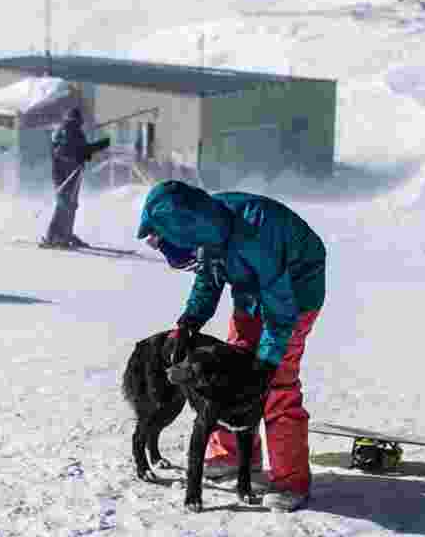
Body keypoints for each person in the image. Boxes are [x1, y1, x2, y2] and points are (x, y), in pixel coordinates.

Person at [137, 180, 326, 513]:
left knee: (276, 384)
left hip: (295, 294)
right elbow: (209, 277)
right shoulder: (207, 223)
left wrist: (266, 365)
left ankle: (290, 480)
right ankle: (234, 454)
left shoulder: (255, 236)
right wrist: (190, 321)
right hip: (253, 289)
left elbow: (281, 316)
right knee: (232, 365)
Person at [41, 108, 110, 248]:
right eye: (78, 121)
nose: (79, 124)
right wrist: (95, 148)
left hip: (71, 173)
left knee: (70, 205)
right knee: (64, 205)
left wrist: (88, 150)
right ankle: (52, 237)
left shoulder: (69, 130)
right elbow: (68, 151)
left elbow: (81, 149)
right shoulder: (68, 130)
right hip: (65, 174)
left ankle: (66, 234)